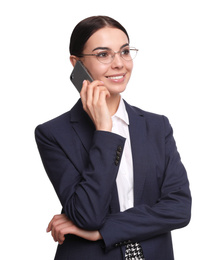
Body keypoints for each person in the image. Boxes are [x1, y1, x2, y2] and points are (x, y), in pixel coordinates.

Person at [35, 15, 191, 260]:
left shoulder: (157, 127)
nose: (119, 63)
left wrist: (103, 231)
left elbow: (179, 210)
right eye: (103, 54)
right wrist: (104, 131)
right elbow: (88, 215)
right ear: (77, 64)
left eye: (125, 51)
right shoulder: (53, 133)